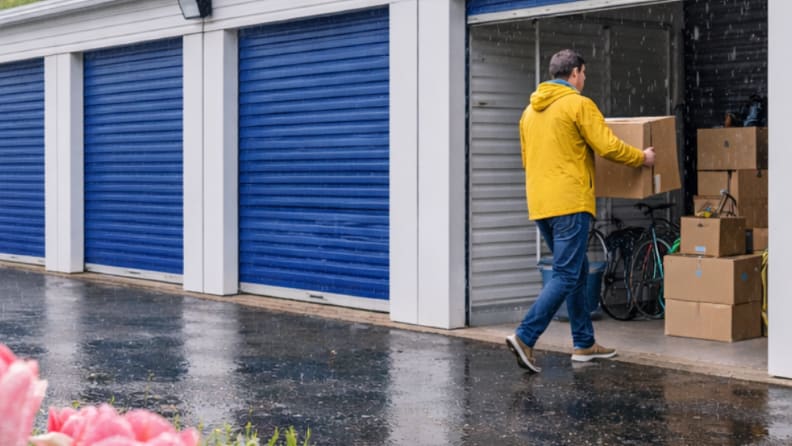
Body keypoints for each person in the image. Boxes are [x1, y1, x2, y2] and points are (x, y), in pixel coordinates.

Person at [506, 49, 656, 373]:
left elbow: (526, 159)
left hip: (541, 204)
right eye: (584, 74)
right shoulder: (578, 105)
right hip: (570, 203)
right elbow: (607, 146)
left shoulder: (529, 113)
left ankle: (584, 343)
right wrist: (641, 158)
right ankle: (525, 336)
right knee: (566, 273)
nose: (584, 80)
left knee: (576, 269)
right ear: (574, 73)